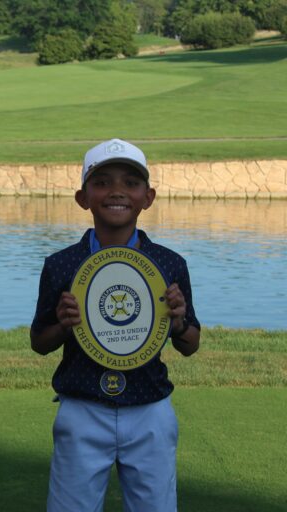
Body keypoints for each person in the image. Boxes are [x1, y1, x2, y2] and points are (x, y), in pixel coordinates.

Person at [30, 138, 201, 512]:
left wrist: (177, 323)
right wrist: (63, 325)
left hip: (149, 407)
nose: (117, 191)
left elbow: (191, 343)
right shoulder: (61, 264)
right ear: (83, 197)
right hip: (82, 407)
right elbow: (40, 341)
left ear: (148, 197)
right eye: (102, 182)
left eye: (131, 183)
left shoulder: (169, 263)